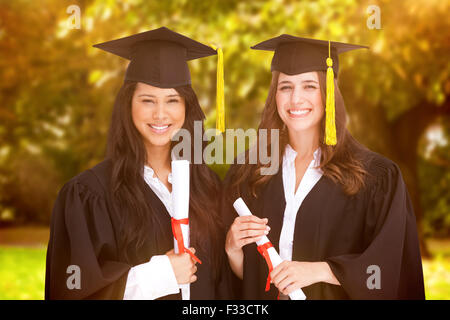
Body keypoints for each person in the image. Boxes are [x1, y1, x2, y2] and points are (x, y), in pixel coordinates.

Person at [222, 34, 425, 299]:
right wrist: (232, 249)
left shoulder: (374, 177)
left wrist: (322, 271)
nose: (295, 99)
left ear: (329, 92)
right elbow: (240, 283)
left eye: (309, 86)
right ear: (274, 95)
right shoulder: (249, 172)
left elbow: (389, 268)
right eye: (285, 87)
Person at [45, 27, 230, 299]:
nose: (160, 113)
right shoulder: (90, 194)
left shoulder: (207, 185)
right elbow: (72, 289)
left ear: (186, 108)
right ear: (128, 104)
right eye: (147, 100)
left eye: (172, 100)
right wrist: (161, 275)